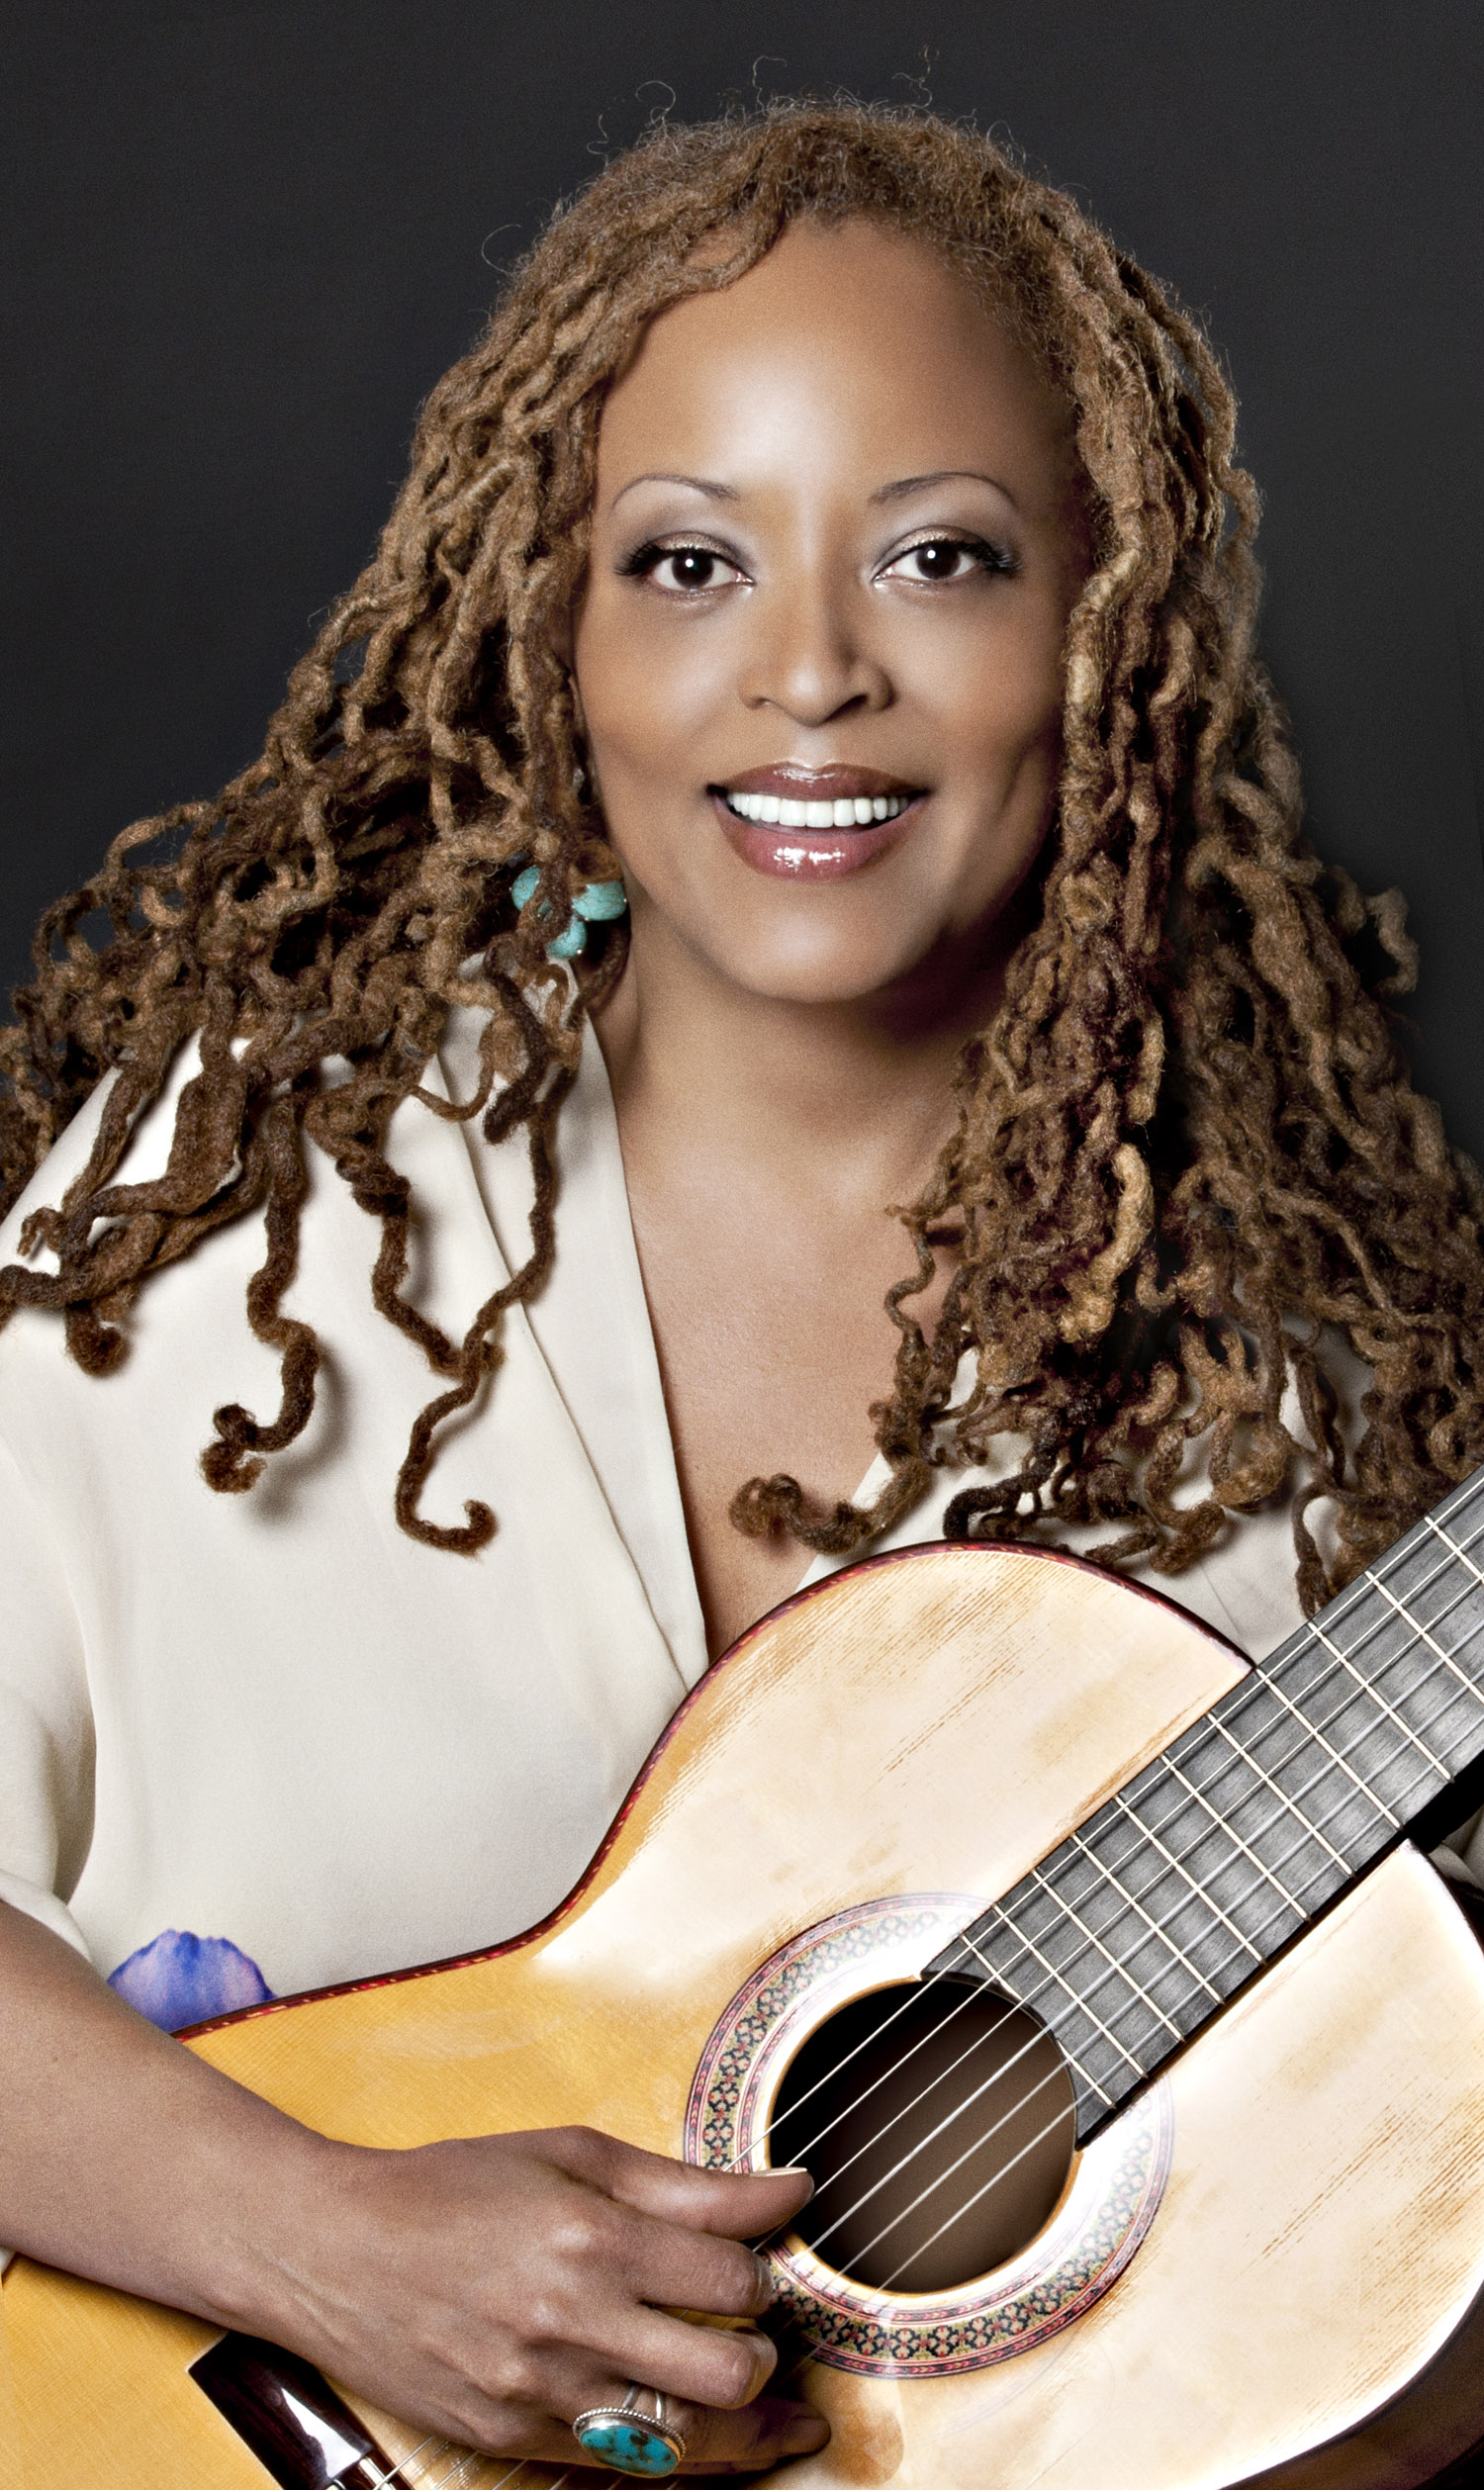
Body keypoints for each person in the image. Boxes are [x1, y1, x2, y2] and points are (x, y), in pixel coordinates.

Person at [1, 101, 1482, 2479]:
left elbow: (1369, 2343)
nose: (809, 674)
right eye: (688, 562)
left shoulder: (1301, 1430)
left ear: (1105, 636)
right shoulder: (247, 1217)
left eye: (943, 558)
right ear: (555, 636)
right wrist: (322, 2242)